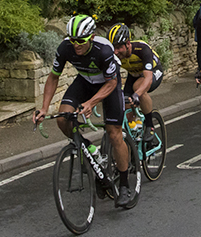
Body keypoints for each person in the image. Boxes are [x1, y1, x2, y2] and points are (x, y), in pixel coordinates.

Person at [33, 14, 133, 208]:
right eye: (72, 40)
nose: (76, 44)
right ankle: (89, 149)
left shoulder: (103, 50)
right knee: (63, 119)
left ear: (92, 37)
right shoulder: (65, 48)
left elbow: (112, 82)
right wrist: (44, 108)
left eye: (81, 40)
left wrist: (91, 103)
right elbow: (54, 77)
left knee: (114, 134)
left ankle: (124, 185)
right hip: (85, 81)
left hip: (107, 84)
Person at [108, 24, 164, 143]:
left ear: (128, 44)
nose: (115, 52)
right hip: (133, 74)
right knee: (126, 105)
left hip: (153, 72)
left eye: (119, 47)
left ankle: (150, 125)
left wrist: (137, 94)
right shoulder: (114, 55)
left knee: (139, 88)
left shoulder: (141, 49)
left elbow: (148, 78)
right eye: (113, 47)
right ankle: (134, 139)